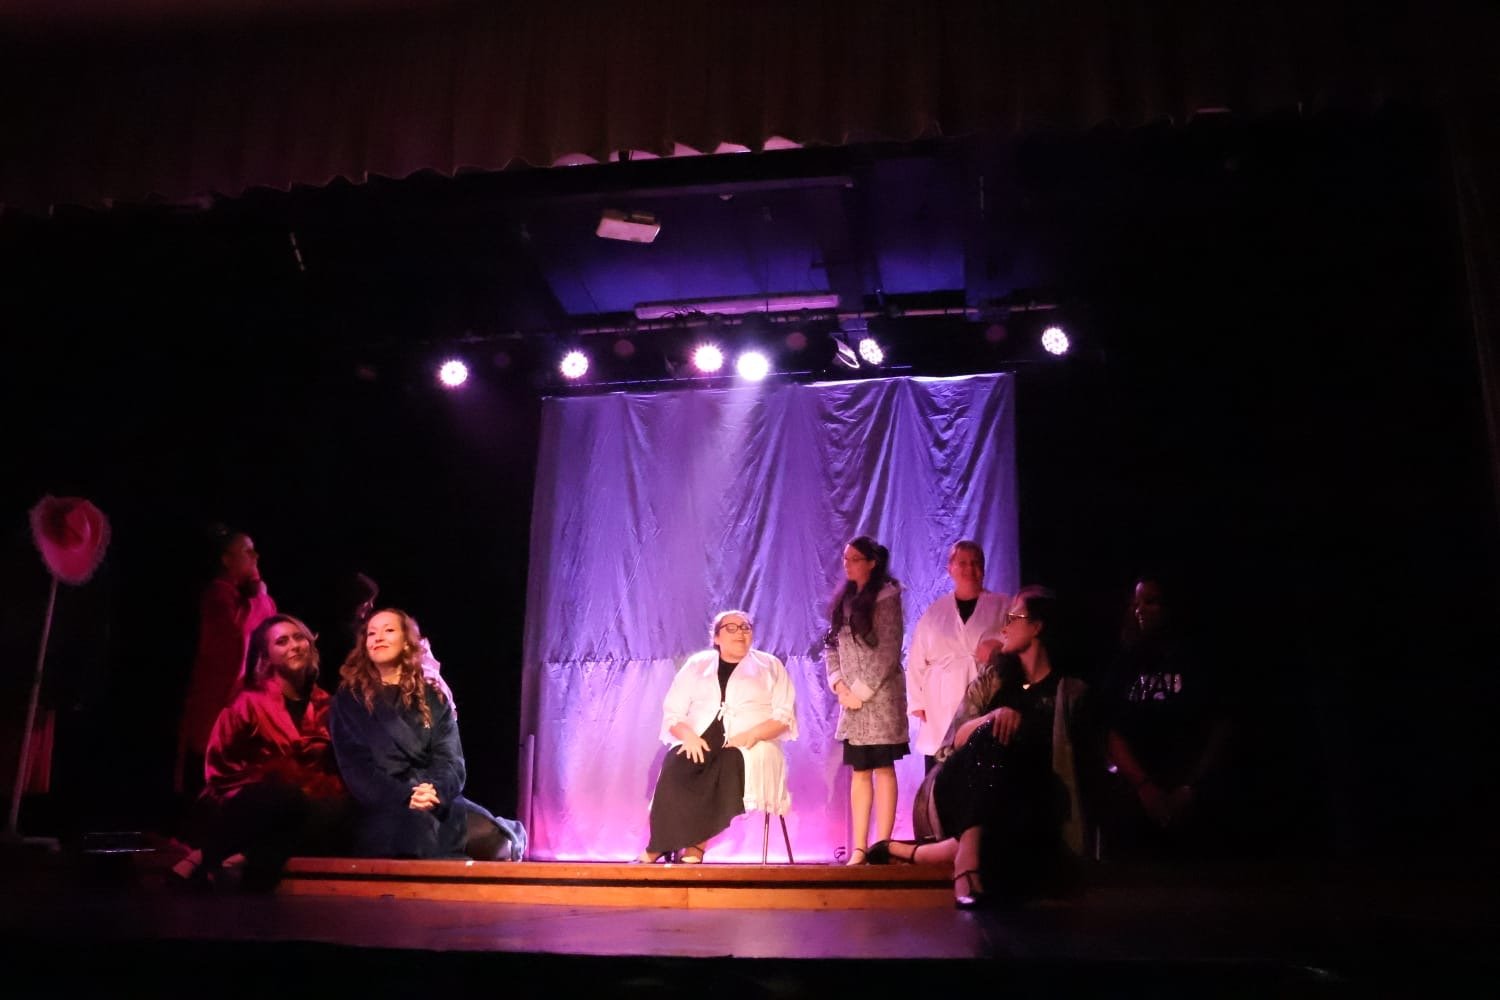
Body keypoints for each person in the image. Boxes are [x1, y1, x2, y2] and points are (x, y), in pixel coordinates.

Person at [873, 586, 1093, 909]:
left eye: (1013, 618)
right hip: (964, 784)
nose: (1003, 627)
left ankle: (943, 850)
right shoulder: (993, 680)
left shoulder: (1068, 691)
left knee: (1012, 775)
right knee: (992, 739)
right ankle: (967, 863)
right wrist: (993, 716)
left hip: (1027, 798)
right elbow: (954, 741)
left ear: (1037, 627)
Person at [330, 608, 524, 861]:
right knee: (414, 832)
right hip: (384, 800)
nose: (378, 638)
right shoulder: (349, 699)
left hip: (432, 796)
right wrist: (406, 795)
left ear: (407, 641)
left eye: (389, 630)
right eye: (371, 633)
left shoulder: (432, 697)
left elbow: (451, 760)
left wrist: (434, 791)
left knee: (496, 842)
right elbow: (356, 767)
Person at [187, 614, 352, 890]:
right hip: (251, 803)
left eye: (299, 637)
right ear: (266, 655)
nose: (294, 646)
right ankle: (226, 857)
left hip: (306, 808)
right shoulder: (247, 702)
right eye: (282, 641)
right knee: (284, 796)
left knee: (341, 807)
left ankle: (245, 859)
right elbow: (219, 769)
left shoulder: (327, 704)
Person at [638, 609, 797, 863]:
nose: (740, 633)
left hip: (750, 742)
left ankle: (696, 846)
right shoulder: (697, 665)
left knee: (726, 762)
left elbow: (784, 716)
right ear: (717, 638)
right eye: (732, 628)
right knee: (676, 763)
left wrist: (752, 735)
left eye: (745, 628)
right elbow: (673, 713)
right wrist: (688, 736)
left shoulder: (769, 666)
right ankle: (660, 844)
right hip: (703, 736)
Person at [1098, 575, 1234, 858]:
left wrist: (1190, 787)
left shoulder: (1196, 659)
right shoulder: (1125, 662)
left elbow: (1219, 725)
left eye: (1150, 602)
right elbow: (1111, 731)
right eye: (1136, 603)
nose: (1140, 610)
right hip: (1137, 799)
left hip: (1190, 797)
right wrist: (1145, 788)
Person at [824, 535, 907, 866]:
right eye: (845, 559)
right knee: (860, 771)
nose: (848, 565)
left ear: (872, 562)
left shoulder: (886, 598)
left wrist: (860, 691)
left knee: (883, 769)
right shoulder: (844, 601)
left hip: (880, 699)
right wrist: (839, 685)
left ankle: (882, 845)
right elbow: (831, 646)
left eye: (854, 559)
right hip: (852, 703)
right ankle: (858, 847)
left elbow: (887, 652)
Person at [176, 526, 277, 796]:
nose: (255, 557)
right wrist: (258, 597)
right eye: (247, 551)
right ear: (226, 559)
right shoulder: (218, 595)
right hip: (215, 706)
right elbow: (237, 638)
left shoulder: (250, 598)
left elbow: (271, 629)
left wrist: (260, 596)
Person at [907, 541, 1010, 771]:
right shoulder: (935, 611)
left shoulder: (1003, 605)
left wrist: (1000, 646)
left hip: (982, 695)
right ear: (950, 568)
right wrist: (917, 701)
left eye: (975, 563)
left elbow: (1018, 642)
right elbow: (916, 659)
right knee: (940, 770)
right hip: (940, 703)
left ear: (983, 568)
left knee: (978, 762)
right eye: (962, 563)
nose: (969, 569)